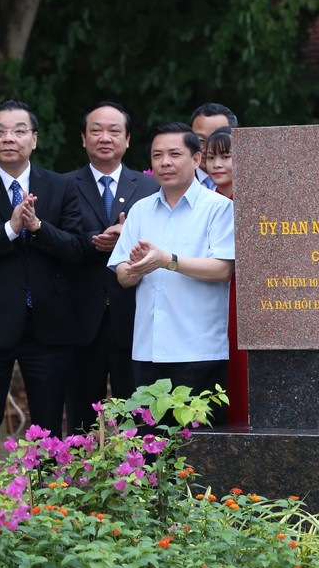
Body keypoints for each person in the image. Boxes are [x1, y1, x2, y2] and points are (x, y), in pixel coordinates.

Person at [0, 99, 84, 455]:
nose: (9, 138)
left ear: (34, 140)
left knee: (50, 428)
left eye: (19, 131)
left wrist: (38, 227)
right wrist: (10, 228)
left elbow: (75, 250)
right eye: (0, 131)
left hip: (49, 326)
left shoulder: (60, 187)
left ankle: (49, 499)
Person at [108, 123, 236, 427]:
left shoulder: (218, 209)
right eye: (157, 155)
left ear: (196, 159)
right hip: (148, 348)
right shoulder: (140, 210)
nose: (165, 162)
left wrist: (167, 260)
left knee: (202, 451)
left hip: (199, 349)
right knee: (150, 452)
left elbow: (223, 269)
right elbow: (123, 275)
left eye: (174, 154)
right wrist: (138, 267)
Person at [64, 102, 160, 433]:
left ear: (128, 139)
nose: (105, 138)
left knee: (138, 410)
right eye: (96, 130)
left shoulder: (150, 187)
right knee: (80, 414)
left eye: (114, 131)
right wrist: (94, 241)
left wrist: (128, 239)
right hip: (81, 316)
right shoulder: (63, 186)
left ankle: (141, 480)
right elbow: (56, 241)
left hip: (134, 314)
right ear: (83, 138)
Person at [203, 126, 249, 424]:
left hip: (241, 293)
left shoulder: (252, 201)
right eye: (210, 158)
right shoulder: (204, 201)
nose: (217, 164)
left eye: (226, 156)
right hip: (207, 290)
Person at [189, 102, 239, 190]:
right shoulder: (175, 184)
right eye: (200, 140)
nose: (208, 148)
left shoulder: (253, 184)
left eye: (218, 140)